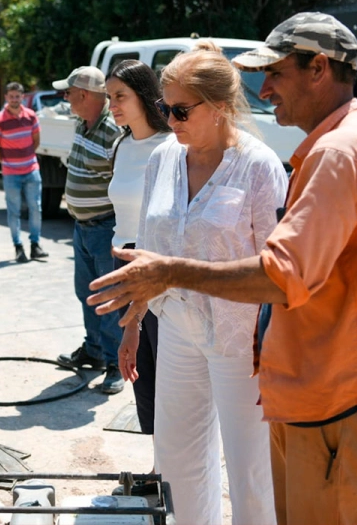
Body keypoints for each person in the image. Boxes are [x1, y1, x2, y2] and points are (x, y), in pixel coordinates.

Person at [87, 12, 357, 525]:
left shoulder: (332, 153)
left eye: (276, 73)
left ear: (318, 68)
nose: (265, 89)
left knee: (277, 488)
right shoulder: (348, 142)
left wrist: (172, 274)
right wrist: (143, 311)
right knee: (192, 466)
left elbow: (280, 273)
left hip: (326, 376)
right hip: (307, 366)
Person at [116, 45, 285, 522]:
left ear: (222, 107)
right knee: (177, 460)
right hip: (175, 327)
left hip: (241, 337)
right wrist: (133, 326)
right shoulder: (164, 160)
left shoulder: (258, 167)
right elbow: (148, 250)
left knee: (250, 467)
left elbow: (277, 266)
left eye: (182, 110)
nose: (171, 120)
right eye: (165, 108)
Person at [104, 59, 172, 490]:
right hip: (122, 263)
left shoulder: (171, 147)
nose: (112, 106)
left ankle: (174, 470)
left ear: (144, 96)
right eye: (109, 98)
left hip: (158, 265)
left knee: (171, 370)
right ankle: (159, 467)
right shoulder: (121, 145)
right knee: (140, 370)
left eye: (120, 97)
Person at [52, 66, 124, 394]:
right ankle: (94, 351)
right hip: (82, 227)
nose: (64, 98)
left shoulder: (113, 131)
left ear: (83, 94)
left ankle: (115, 364)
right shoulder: (83, 124)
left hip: (105, 228)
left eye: (68, 93)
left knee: (108, 299)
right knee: (87, 294)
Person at [0, 82, 49, 263]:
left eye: (17, 96)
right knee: (14, 212)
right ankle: (18, 247)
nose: (14, 99)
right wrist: (8, 162)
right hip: (11, 173)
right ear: (6, 97)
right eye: (11, 96)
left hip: (31, 170)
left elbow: (36, 141)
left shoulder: (31, 116)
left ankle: (35, 246)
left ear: (23, 97)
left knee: (36, 209)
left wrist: (25, 158)